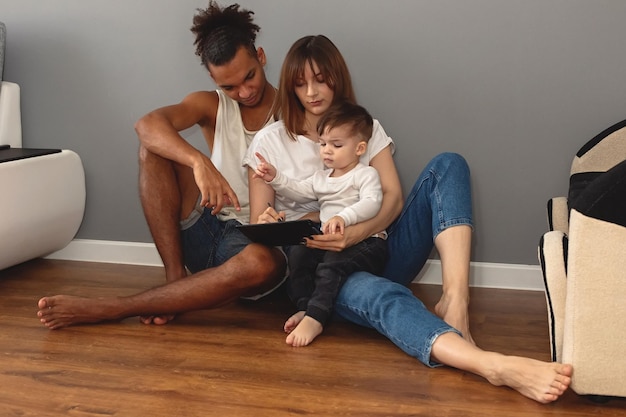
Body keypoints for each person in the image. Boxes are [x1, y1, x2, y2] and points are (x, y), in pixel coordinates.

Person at [243, 34, 572, 403]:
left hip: (377, 246)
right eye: (301, 83)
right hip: (326, 273)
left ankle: (455, 300)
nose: (312, 92)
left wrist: (354, 234)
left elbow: (393, 198)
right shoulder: (269, 142)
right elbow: (261, 224)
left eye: (321, 79)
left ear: (337, 77)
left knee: (449, 164)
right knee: (385, 296)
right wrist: (287, 219)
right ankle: (490, 365)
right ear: (289, 86)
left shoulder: (363, 129)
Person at [37, 1, 286, 325]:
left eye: (249, 76)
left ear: (261, 57)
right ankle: (174, 282)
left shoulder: (292, 109)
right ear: (214, 80)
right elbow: (147, 124)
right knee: (152, 150)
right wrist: (199, 162)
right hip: (209, 227)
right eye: (229, 86)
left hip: (253, 248)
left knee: (260, 263)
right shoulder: (211, 105)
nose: (244, 91)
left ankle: (114, 308)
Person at [254, 101, 388, 347]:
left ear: (359, 148)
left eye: (336, 145)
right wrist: (276, 178)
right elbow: (297, 190)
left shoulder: (365, 174)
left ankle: (316, 317)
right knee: (298, 255)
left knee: (331, 266)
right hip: (330, 240)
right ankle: (305, 308)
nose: (327, 150)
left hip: (366, 243)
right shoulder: (321, 178)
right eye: (323, 143)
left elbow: (373, 202)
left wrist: (343, 217)